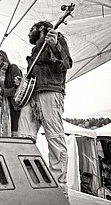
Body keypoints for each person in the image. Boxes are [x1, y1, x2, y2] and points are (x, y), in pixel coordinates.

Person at [14, 21, 73, 198]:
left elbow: (65, 64)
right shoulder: (34, 51)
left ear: (41, 28)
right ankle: (29, 181)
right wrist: (23, 83)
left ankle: (59, 188)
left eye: (31, 29)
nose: (28, 33)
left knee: (55, 140)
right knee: (23, 140)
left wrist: (55, 46)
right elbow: (36, 73)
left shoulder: (57, 38)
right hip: (31, 95)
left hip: (50, 93)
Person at [0, 50, 22, 136]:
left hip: (16, 106)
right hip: (7, 107)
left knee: (16, 133)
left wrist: (3, 91)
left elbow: (19, 89)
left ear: (2, 56)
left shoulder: (12, 68)